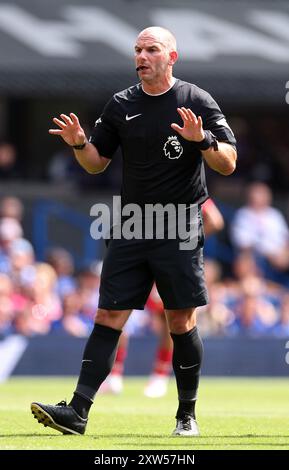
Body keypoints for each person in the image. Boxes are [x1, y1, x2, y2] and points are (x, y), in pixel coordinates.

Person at [31, 26, 236, 437]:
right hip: (132, 223)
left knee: (180, 320)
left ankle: (186, 415)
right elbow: (96, 163)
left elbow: (228, 163)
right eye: (137, 50)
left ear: (171, 57)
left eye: (151, 49)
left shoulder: (195, 100)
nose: (141, 57)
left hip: (178, 223)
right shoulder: (122, 103)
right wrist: (78, 143)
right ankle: (77, 412)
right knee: (108, 314)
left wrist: (202, 140)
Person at [100, 198, 225, 397]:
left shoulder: (187, 187)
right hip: (143, 256)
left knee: (168, 317)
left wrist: (186, 242)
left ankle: (157, 375)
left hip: (164, 260)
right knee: (119, 311)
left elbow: (215, 220)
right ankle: (117, 375)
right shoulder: (150, 182)